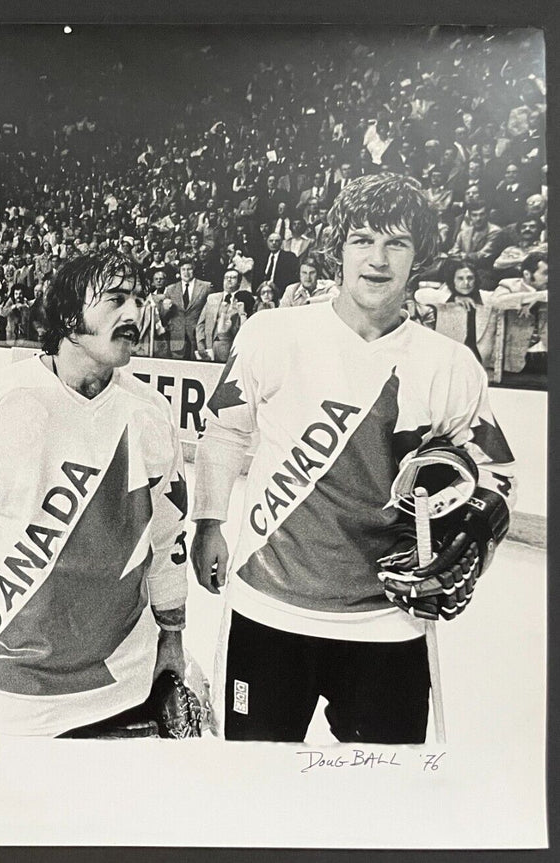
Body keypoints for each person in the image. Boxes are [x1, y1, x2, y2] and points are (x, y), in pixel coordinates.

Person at [190, 173, 516, 743]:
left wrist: (475, 544)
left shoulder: (449, 363)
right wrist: (208, 524)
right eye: (362, 239)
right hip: (268, 610)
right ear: (336, 248)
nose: (378, 258)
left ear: (421, 257)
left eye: (398, 243)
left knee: (386, 808)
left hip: (388, 623)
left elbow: (493, 475)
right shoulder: (272, 333)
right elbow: (224, 434)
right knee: (252, 794)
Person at [0, 249, 190, 737]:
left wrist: (172, 638)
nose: (133, 314)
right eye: (114, 300)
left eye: (138, 299)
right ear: (68, 316)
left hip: (121, 686)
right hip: (6, 689)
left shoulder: (149, 409)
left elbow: (169, 538)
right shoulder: (0, 398)